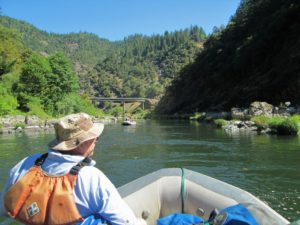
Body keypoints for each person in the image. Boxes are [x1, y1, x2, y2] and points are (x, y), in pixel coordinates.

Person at [0, 112, 146, 225]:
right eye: (94, 138)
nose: (96, 140)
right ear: (81, 143)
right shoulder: (90, 176)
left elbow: (4, 209)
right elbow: (126, 222)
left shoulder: (27, 163)